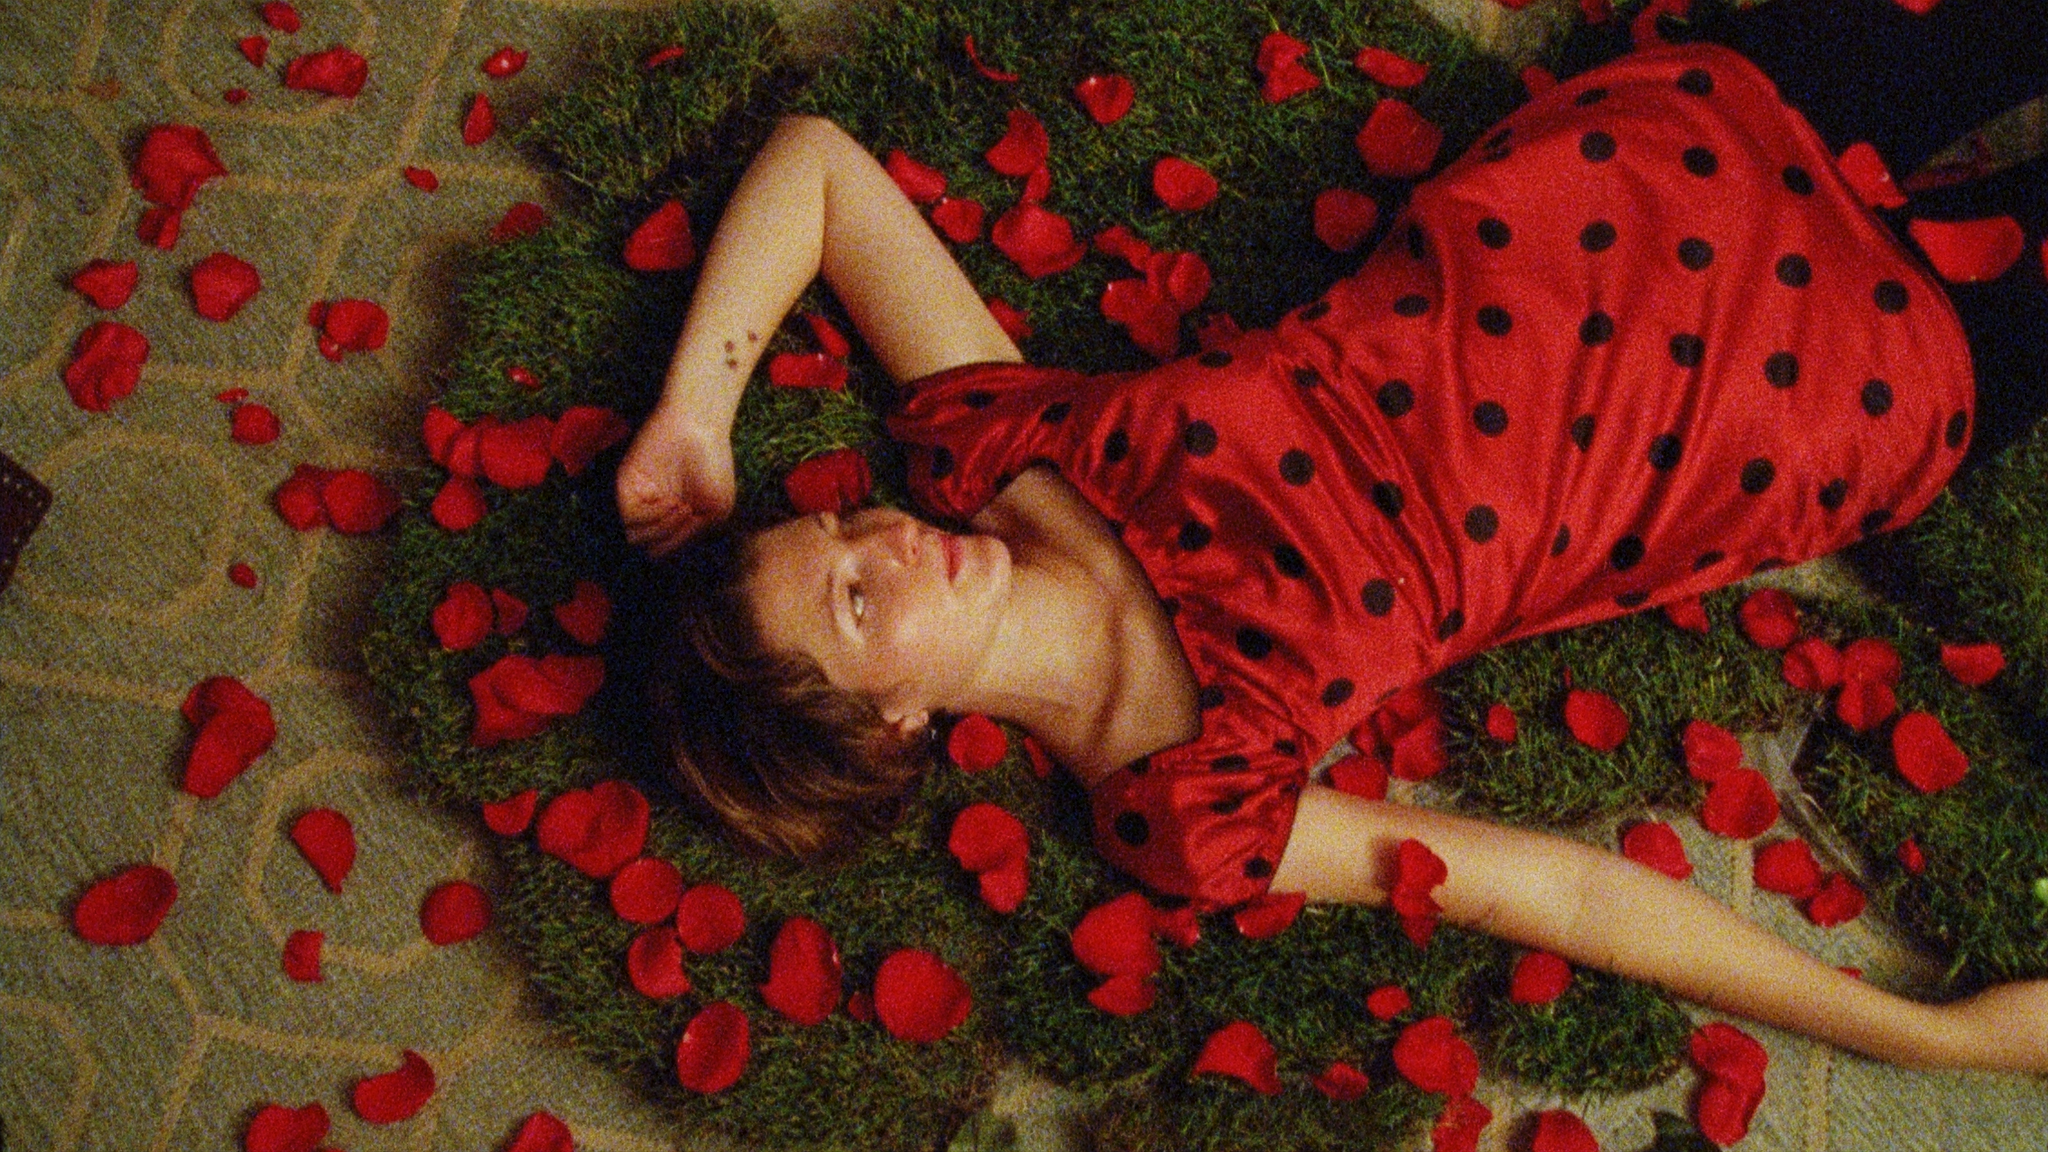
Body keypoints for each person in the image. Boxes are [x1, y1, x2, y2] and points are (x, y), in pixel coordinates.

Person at [617, 0, 2048, 1073]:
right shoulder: (1190, 802)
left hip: (1639, 173)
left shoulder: (999, 447)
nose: (889, 537)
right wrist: (1935, 1037)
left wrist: (697, 412)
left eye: (846, 522)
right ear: (892, 731)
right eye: (856, 602)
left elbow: (817, 169)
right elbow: (1558, 892)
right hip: (1798, 396)